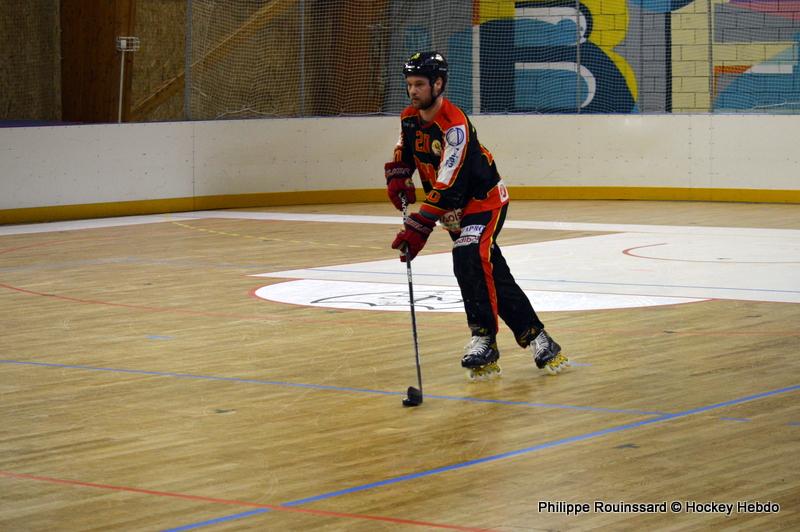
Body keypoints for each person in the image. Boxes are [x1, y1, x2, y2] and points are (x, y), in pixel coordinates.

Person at [386, 51, 570, 380]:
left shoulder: (455, 126)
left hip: (483, 202)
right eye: (409, 84)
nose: (412, 91)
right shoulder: (409, 118)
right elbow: (405, 149)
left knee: (468, 255)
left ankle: (484, 337)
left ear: (438, 84)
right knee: (492, 273)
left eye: (419, 84)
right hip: (451, 211)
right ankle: (538, 337)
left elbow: (448, 183)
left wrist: (419, 227)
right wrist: (399, 175)